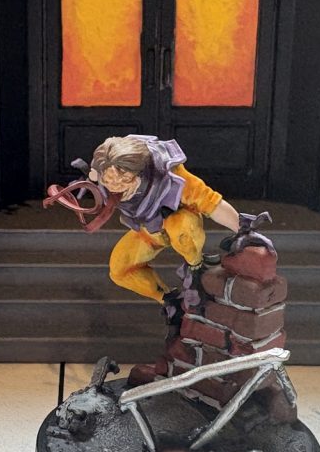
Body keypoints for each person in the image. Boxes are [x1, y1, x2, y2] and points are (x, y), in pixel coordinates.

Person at [88, 135, 240, 330]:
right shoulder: (102, 174)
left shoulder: (171, 175)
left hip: (180, 223)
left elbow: (211, 203)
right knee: (120, 269)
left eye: (124, 180)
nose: (116, 188)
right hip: (149, 230)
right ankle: (170, 300)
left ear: (140, 172)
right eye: (109, 181)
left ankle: (196, 271)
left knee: (181, 231)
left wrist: (243, 228)